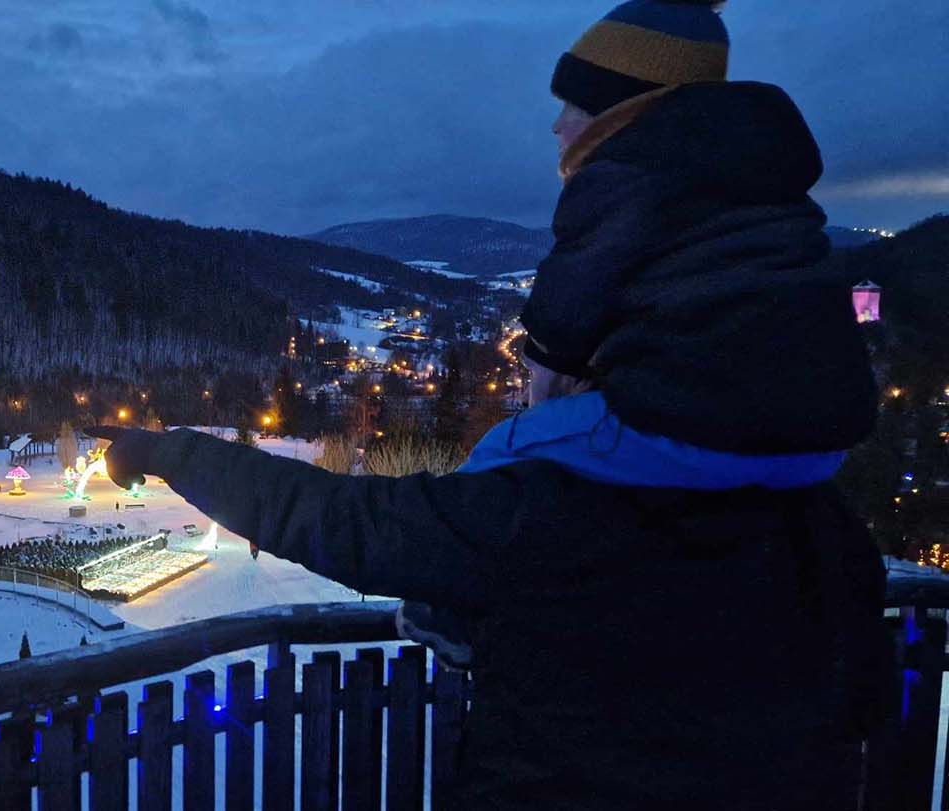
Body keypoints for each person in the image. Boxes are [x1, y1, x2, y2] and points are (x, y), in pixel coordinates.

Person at [86, 2, 888, 807]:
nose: (553, 129)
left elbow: (338, 518)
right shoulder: (818, 521)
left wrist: (167, 450)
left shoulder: (558, 511)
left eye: (571, 106)